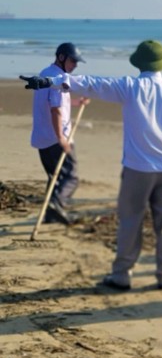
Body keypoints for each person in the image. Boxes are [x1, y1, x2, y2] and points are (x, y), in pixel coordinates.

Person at [21, 40, 162, 291]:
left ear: (139, 64)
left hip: (138, 169)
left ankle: (122, 275)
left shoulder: (130, 87)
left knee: (130, 221)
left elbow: (92, 83)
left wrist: (50, 82)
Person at [29, 42, 90, 225]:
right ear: (61, 57)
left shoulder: (46, 74)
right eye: (73, 61)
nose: (75, 65)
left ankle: (50, 215)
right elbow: (55, 110)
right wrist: (61, 139)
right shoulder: (58, 78)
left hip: (42, 137)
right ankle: (57, 205)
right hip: (55, 137)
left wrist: (76, 103)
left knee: (54, 178)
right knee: (71, 177)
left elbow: (54, 102)